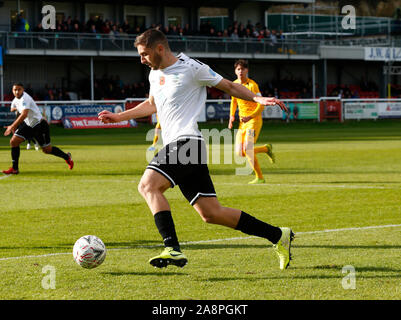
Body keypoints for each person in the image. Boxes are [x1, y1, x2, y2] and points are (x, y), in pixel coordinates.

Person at [98, 29, 294, 270]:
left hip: (187, 142)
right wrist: (119, 117)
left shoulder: (191, 67)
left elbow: (228, 87)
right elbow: (151, 104)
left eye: (145, 54)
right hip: (182, 148)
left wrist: (258, 99)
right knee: (211, 213)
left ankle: (172, 247)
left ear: (160, 48)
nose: (142, 60)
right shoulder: (154, 74)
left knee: (147, 186)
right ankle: (278, 235)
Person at [2, 83, 74, 175]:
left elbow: (24, 114)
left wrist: (13, 125)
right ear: (12, 90)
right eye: (14, 90)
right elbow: (13, 109)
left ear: (23, 89)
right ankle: (67, 157)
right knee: (46, 150)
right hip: (32, 123)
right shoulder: (16, 99)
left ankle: (15, 169)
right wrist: (16, 111)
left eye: (19, 89)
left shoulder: (25, 98)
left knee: (15, 142)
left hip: (39, 124)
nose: (16, 91)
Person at [228, 59, 275, 185]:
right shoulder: (234, 84)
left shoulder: (253, 85)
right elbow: (234, 102)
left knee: (248, 149)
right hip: (242, 123)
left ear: (247, 70)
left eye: (243, 69)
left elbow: (261, 105)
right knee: (240, 152)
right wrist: (231, 116)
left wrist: (251, 116)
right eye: (238, 69)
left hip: (254, 120)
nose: (240, 71)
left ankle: (260, 177)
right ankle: (265, 149)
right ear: (235, 71)